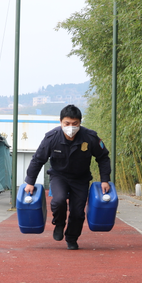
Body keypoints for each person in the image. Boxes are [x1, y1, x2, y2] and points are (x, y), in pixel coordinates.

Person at [24, 104, 111, 250]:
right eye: (67, 123)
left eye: (75, 124)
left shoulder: (90, 137)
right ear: (60, 122)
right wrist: (30, 182)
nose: (71, 127)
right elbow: (38, 159)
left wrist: (105, 179)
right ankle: (59, 223)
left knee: (77, 212)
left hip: (81, 178)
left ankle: (71, 237)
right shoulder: (51, 138)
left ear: (80, 123)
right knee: (58, 201)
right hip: (59, 176)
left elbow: (103, 157)